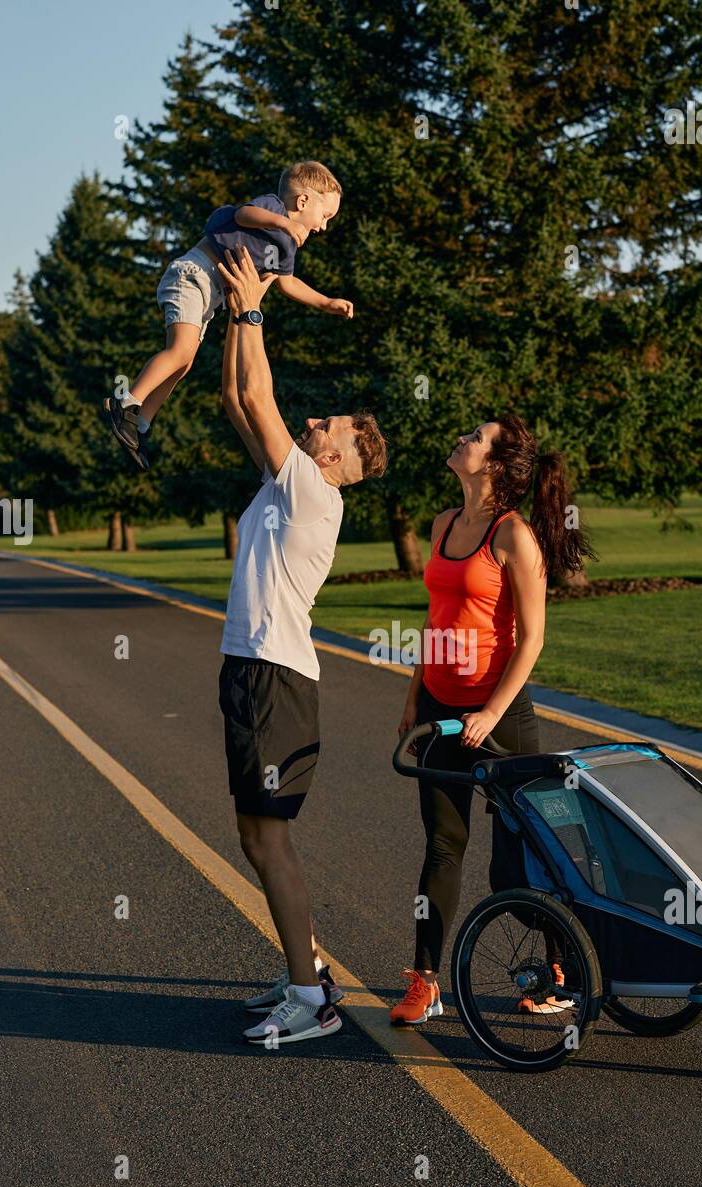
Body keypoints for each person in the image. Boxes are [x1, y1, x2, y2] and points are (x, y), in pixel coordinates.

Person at [216, 246, 386, 1045]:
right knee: (256, 834)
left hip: (275, 681)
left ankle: (310, 999)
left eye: (333, 428)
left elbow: (260, 390)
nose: (318, 421)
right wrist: (230, 310)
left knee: (266, 835)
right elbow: (234, 395)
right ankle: (305, 969)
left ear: (337, 462)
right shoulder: (289, 485)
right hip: (256, 670)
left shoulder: (313, 493)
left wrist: (252, 307)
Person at [391, 415, 592, 1025]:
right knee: (442, 846)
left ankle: (560, 964)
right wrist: (412, 698)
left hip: (499, 718)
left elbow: (531, 641)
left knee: (514, 862)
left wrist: (490, 712)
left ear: (496, 466)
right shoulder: (444, 523)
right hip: (439, 712)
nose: (461, 438)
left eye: (475, 437)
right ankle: (425, 982)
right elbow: (435, 621)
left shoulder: (514, 537)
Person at [104, 161, 353, 469]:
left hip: (210, 294)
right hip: (193, 274)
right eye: (325, 216)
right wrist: (284, 223)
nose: (324, 226)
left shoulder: (286, 248)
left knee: (184, 363)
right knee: (179, 352)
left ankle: (140, 424)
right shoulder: (272, 208)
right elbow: (242, 214)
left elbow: (287, 284)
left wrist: (326, 302)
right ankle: (124, 401)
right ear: (302, 202)